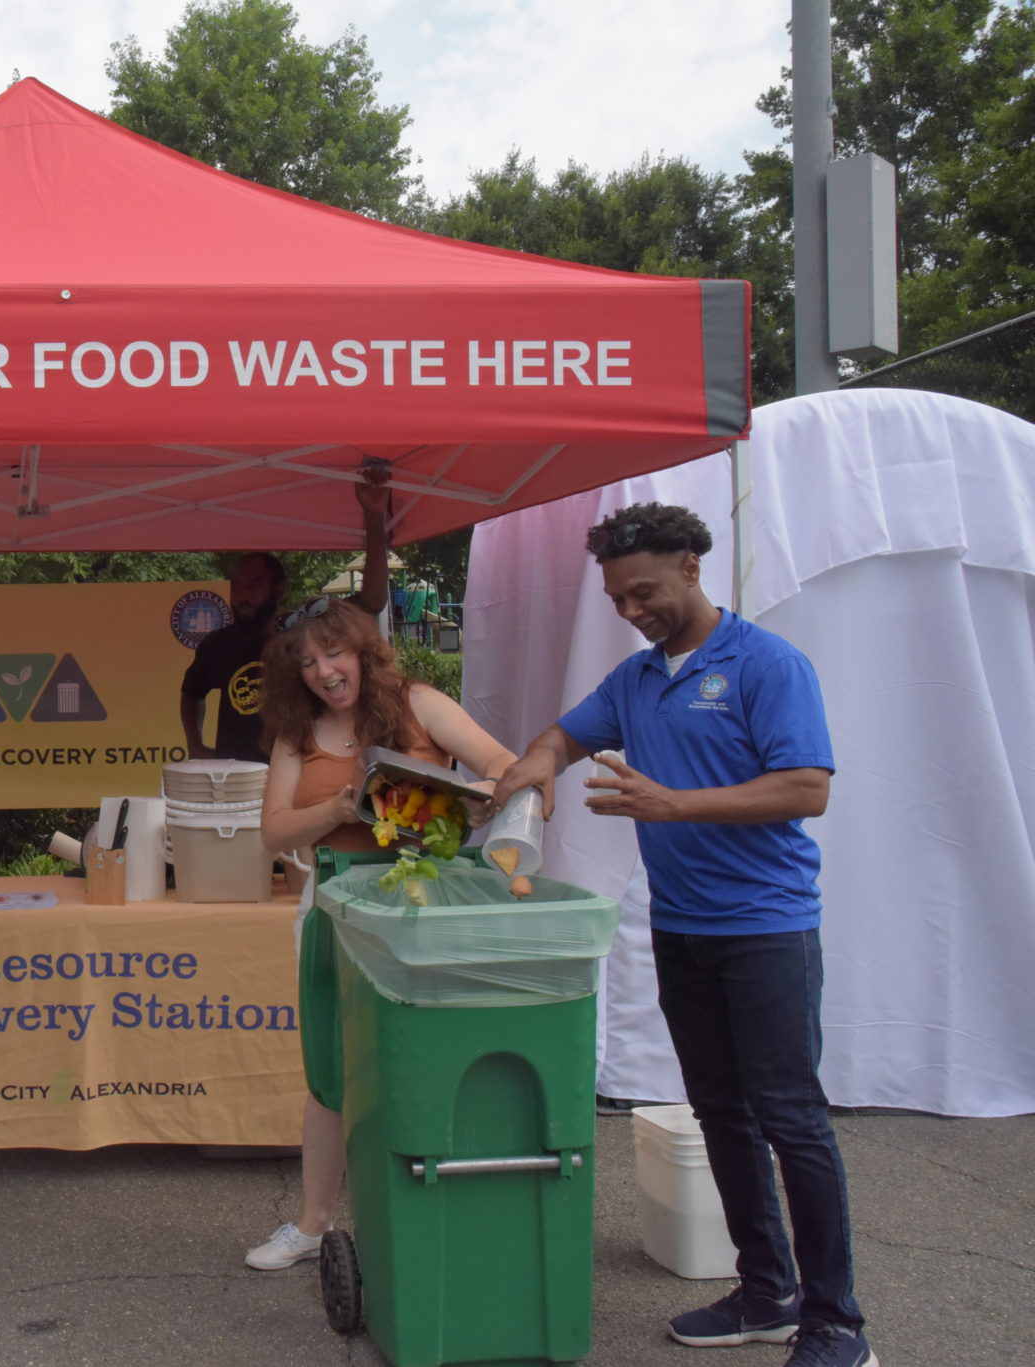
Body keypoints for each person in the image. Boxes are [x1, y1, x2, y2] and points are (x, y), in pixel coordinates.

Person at [491, 504, 872, 1367]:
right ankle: (766, 1290)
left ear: (694, 568)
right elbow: (565, 731)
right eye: (619, 598)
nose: (633, 611)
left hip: (767, 929)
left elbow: (806, 786)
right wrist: (538, 766)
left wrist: (673, 804)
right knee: (723, 1114)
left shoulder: (766, 664)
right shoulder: (638, 679)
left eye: (646, 592)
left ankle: (837, 1322)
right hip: (684, 929)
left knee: (793, 1119)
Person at [245, 596, 514, 1271]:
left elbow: (503, 767)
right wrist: (338, 805)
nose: (323, 672)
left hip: (424, 897)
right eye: (306, 662)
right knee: (334, 1066)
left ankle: (441, 1206)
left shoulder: (420, 703)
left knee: (431, 1053)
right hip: (333, 894)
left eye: (333, 653)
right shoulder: (297, 732)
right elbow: (273, 829)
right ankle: (312, 1224)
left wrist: (462, 798)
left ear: (363, 650)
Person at [181, 475, 392, 763]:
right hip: (236, 780)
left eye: (254, 585)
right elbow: (190, 693)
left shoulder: (303, 632)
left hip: (301, 771)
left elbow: (373, 599)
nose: (243, 595)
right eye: (237, 585)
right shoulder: (217, 645)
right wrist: (195, 744)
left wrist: (374, 515)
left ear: (277, 587)